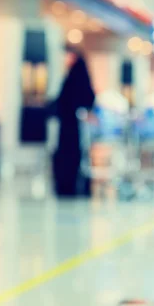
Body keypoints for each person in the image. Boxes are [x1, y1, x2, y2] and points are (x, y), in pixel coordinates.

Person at [48, 49, 95, 197]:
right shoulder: (78, 77)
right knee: (73, 154)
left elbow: (66, 100)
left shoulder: (73, 78)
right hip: (72, 125)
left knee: (69, 154)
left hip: (70, 125)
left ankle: (67, 185)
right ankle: (71, 184)